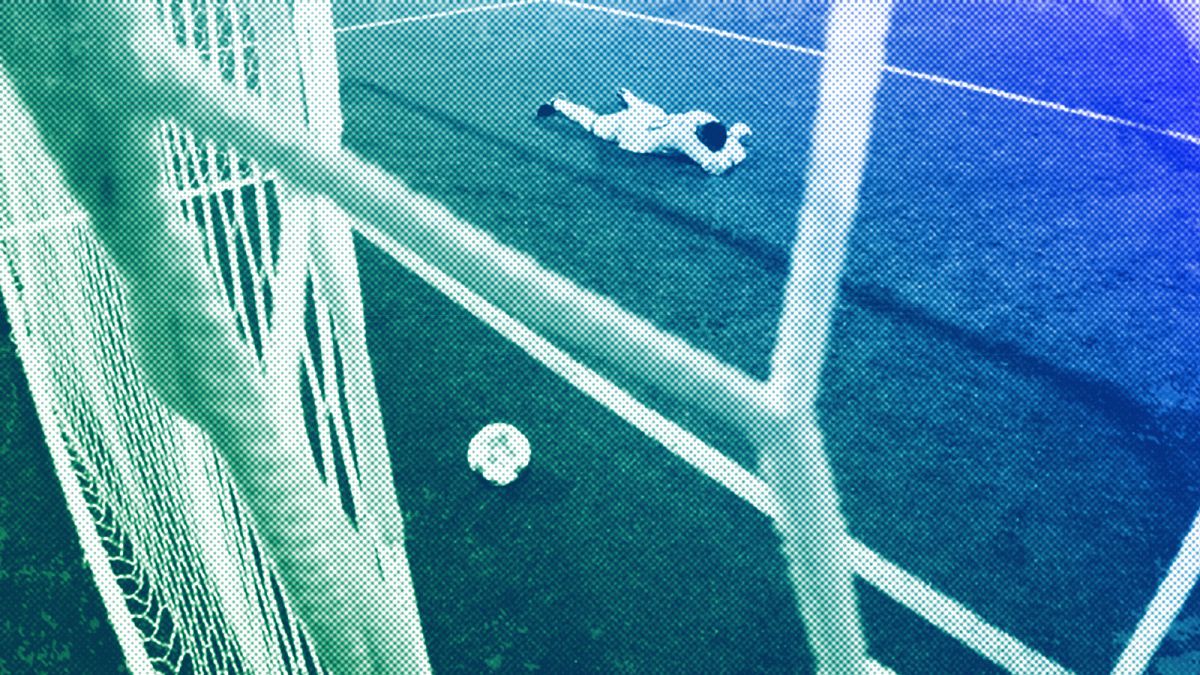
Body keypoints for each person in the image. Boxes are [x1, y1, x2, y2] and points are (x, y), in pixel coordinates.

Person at [536, 89, 751, 175]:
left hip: (649, 115)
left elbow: (719, 132)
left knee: (648, 109)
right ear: (703, 139)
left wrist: (732, 135)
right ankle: (558, 102)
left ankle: (630, 98)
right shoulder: (687, 140)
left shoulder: (702, 117)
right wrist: (733, 144)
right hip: (632, 134)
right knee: (593, 124)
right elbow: (715, 166)